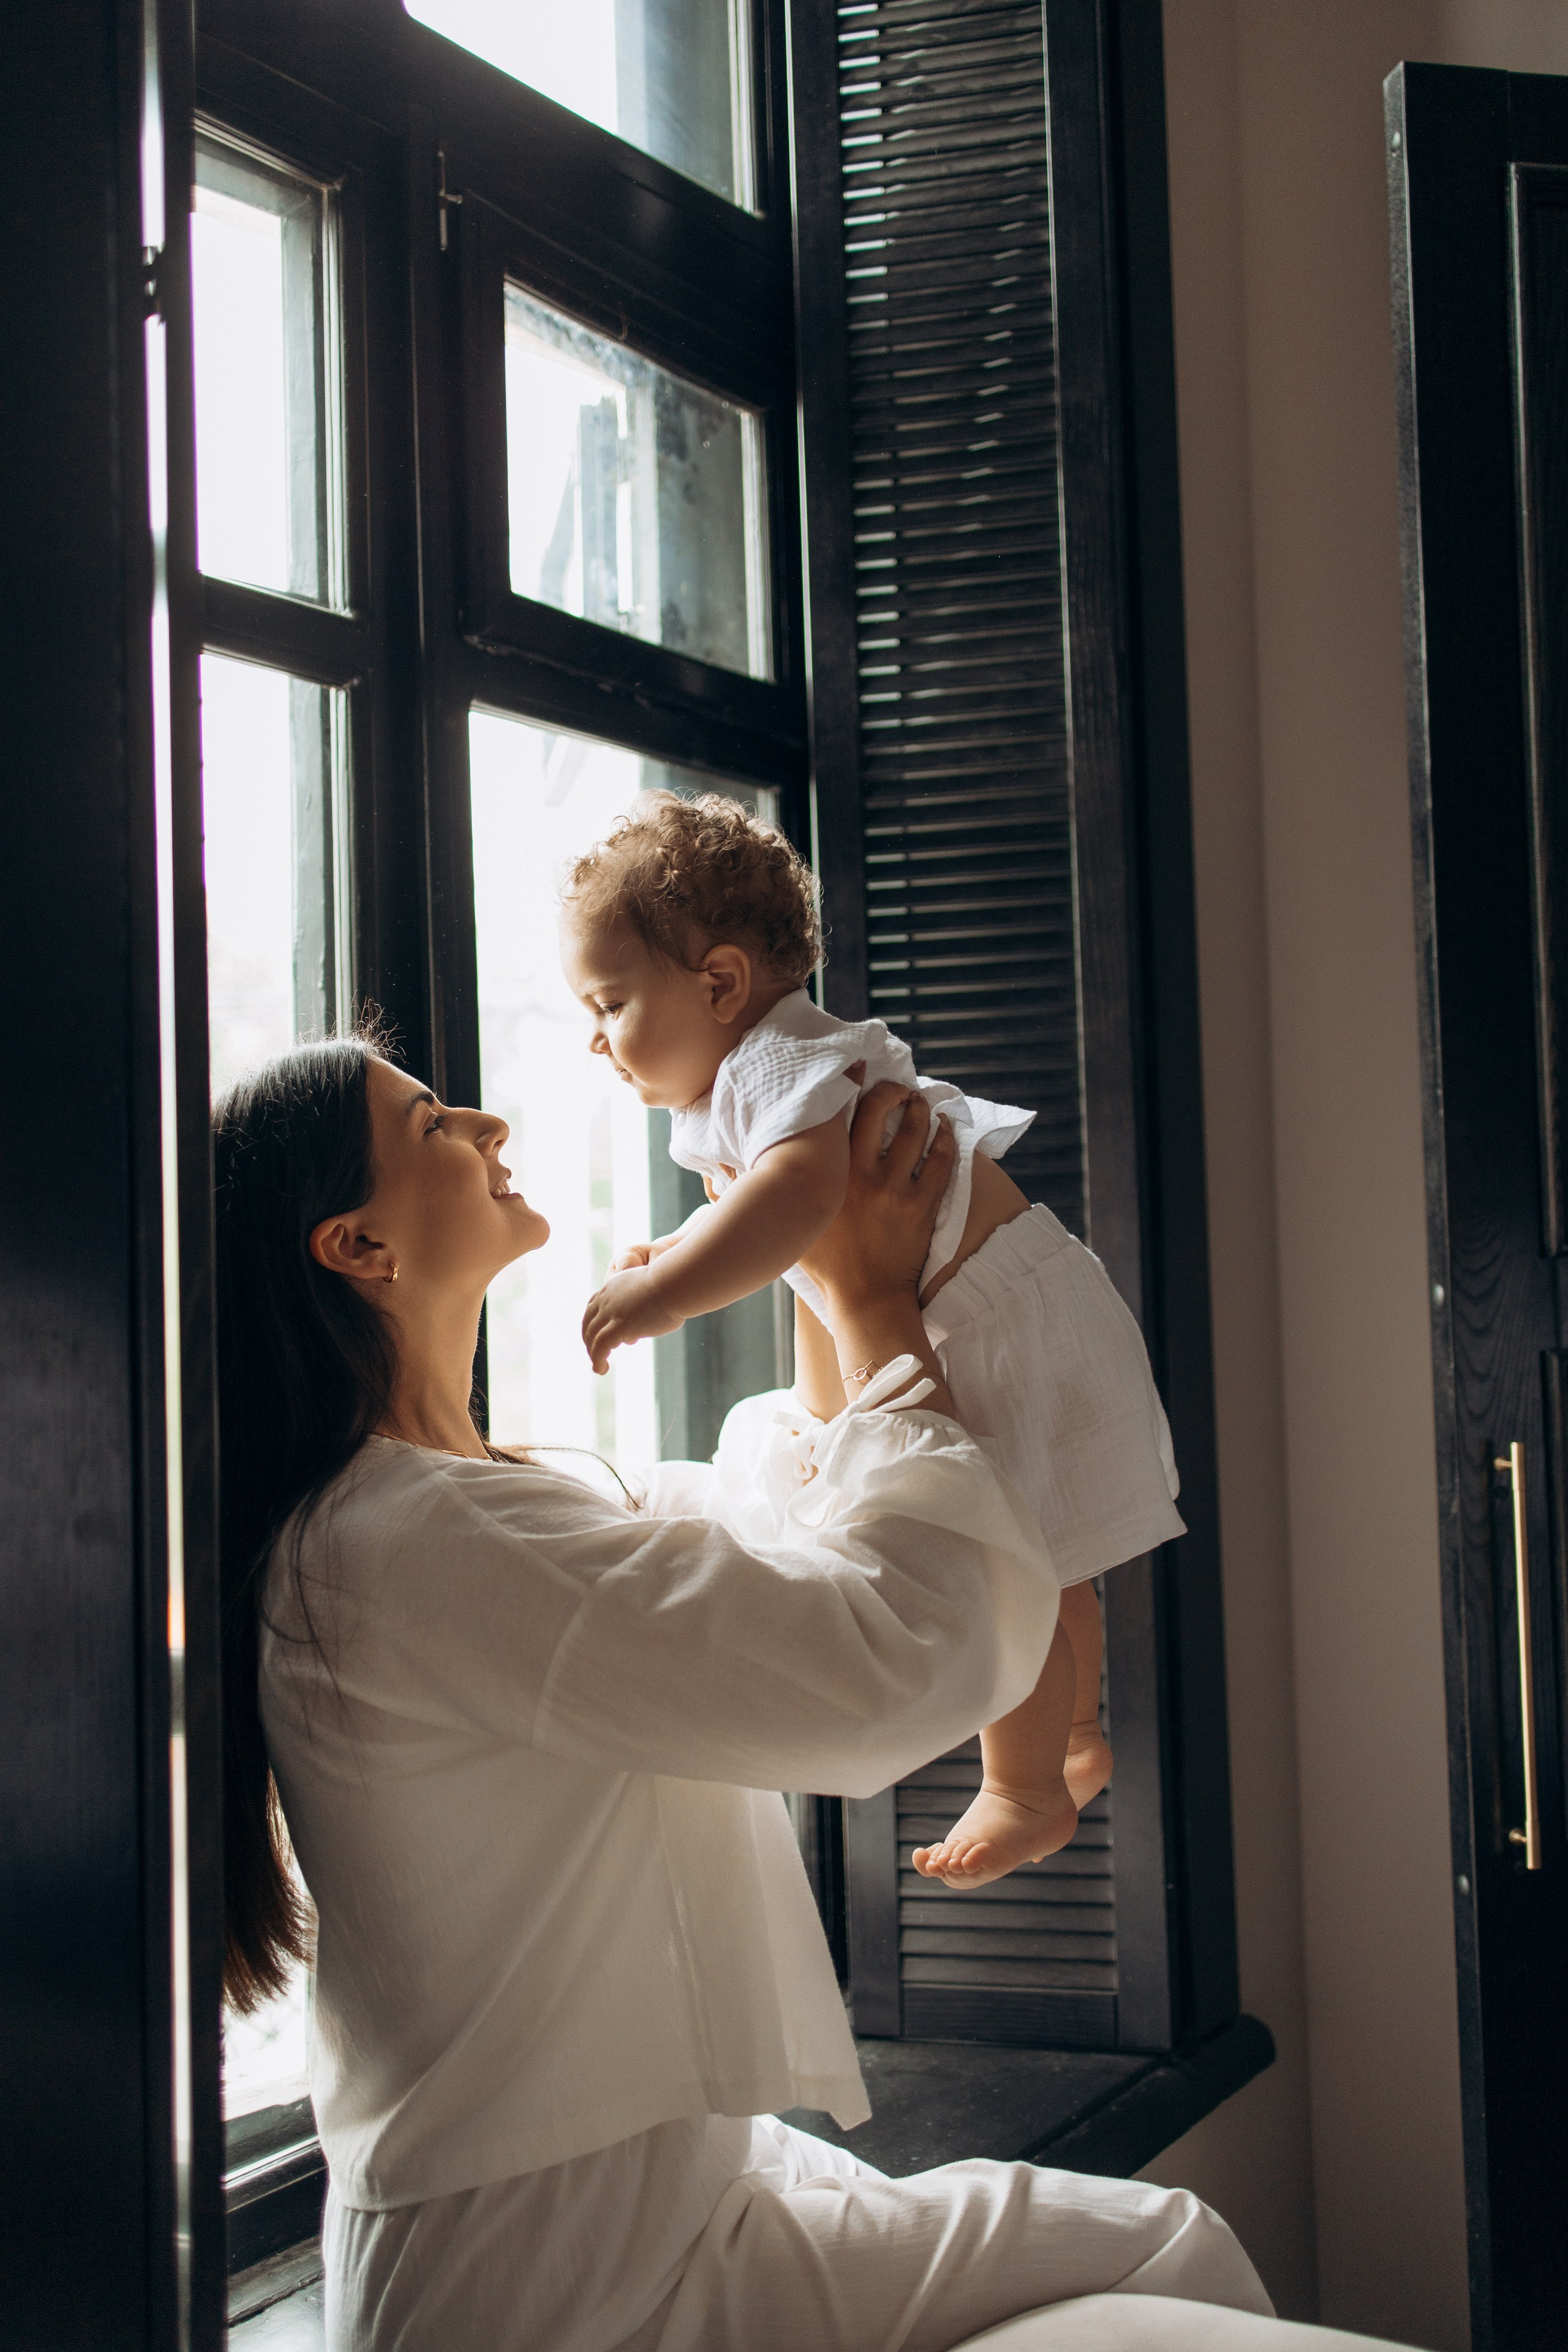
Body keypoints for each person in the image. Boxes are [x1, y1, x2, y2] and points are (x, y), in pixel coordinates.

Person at [213, 1028, 1271, 2351]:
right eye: (430, 1124)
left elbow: (786, 1524)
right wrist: (875, 1309)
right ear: (359, 1246)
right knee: (1173, 2243)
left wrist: (820, 1261)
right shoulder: (408, 1546)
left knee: (1161, 2247)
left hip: (646, 2192)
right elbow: (887, 1655)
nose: (486, 1126)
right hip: (546, 2273)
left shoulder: (477, 1502)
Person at [561, 792, 1185, 1887]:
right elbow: (770, 1203)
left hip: (989, 1323)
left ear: (720, 985)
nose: (597, 1040)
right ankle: (1074, 1738)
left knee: (1005, 1566)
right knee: (1045, 1560)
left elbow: (799, 1201)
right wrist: (686, 1244)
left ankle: (1025, 1787)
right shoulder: (772, 1068)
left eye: (610, 1004)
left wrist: (666, 1294)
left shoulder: (771, 1065)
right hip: (1015, 1309)